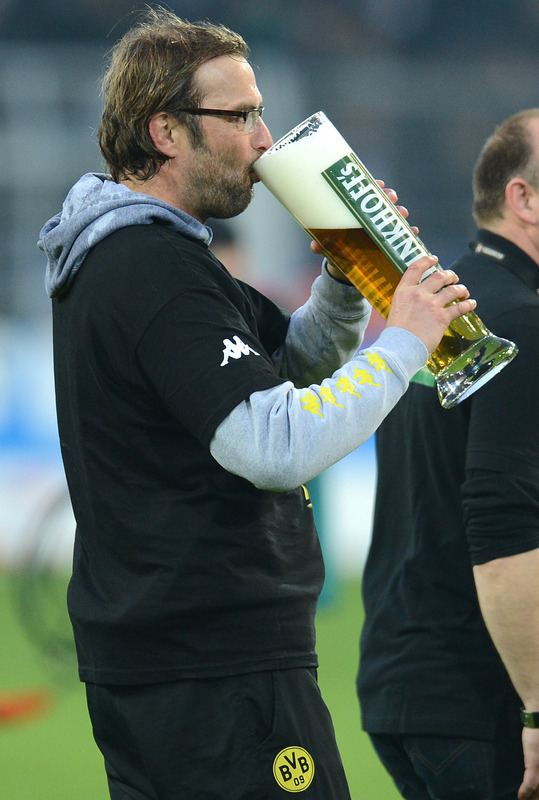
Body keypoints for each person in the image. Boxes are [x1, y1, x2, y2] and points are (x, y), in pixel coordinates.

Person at [37, 8, 476, 800]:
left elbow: (288, 371)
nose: (264, 140)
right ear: (165, 132)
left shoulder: (152, 255)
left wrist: (346, 282)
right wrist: (405, 339)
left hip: (179, 661)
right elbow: (272, 447)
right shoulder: (152, 269)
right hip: (212, 666)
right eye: (239, 116)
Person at [357, 109, 539, 800]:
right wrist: (534, 705)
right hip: (477, 693)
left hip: (406, 679)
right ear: (520, 198)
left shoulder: (442, 306)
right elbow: (500, 519)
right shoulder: (519, 323)